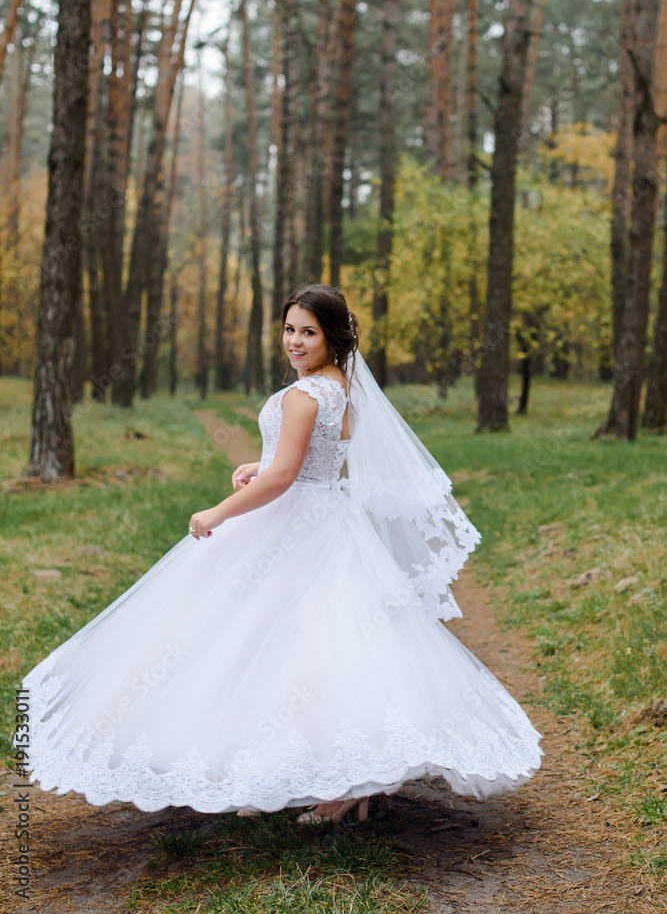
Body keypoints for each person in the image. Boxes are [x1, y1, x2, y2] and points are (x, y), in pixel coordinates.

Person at [18, 283, 542, 825]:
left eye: (308, 332)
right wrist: (258, 464)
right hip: (326, 516)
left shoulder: (304, 393)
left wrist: (221, 511)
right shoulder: (341, 385)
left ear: (332, 336)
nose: (294, 341)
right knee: (317, 643)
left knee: (270, 638)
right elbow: (312, 458)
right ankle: (320, 775)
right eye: (289, 329)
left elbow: (289, 475)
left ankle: (333, 781)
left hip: (295, 523)